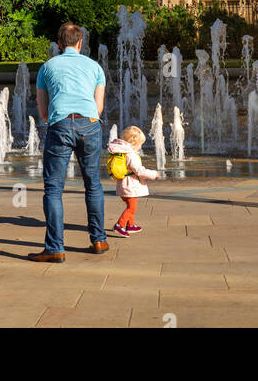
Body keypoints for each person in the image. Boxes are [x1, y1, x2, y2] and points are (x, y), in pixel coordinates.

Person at [28, 22, 108, 262]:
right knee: (93, 183)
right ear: (80, 43)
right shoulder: (95, 67)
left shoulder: (47, 67)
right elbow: (99, 107)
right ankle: (99, 240)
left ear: (59, 44)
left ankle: (55, 248)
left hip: (60, 125)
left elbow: (43, 111)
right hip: (90, 125)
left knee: (53, 189)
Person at [107, 124, 159, 236]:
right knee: (132, 208)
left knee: (130, 206)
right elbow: (139, 171)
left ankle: (130, 225)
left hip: (123, 185)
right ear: (133, 143)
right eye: (140, 144)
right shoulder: (131, 155)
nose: (140, 147)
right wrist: (154, 174)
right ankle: (119, 225)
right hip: (130, 186)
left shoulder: (122, 151)